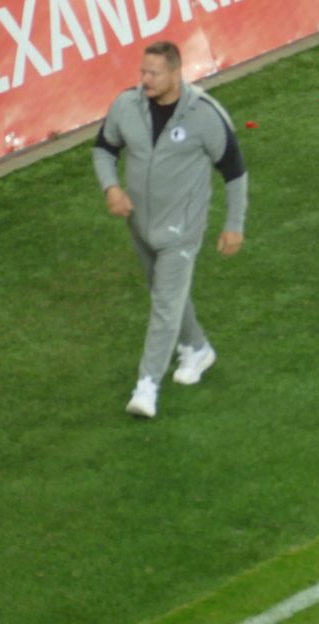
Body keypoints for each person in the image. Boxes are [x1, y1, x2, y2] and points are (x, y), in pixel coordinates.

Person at [93, 40, 248, 419]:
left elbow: (234, 172)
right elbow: (104, 149)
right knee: (165, 293)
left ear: (176, 73)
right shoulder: (126, 105)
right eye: (142, 71)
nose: (144, 79)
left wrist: (234, 225)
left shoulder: (206, 115)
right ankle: (197, 348)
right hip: (140, 224)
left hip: (182, 228)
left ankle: (147, 386)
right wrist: (111, 187)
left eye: (153, 73)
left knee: (164, 303)